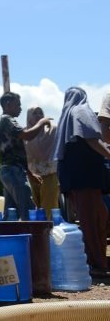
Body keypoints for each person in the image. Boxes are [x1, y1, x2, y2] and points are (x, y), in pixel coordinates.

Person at [52, 87, 110, 278]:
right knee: (93, 222)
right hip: (86, 180)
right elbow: (93, 140)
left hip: (76, 181)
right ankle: (97, 265)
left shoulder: (66, 118)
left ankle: (96, 262)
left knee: (95, 220)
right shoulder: (81, 110)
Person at [0, 92, 51, 220]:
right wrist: (41, 122)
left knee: (11, 214)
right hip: (13, 171)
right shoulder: (6, 119)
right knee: (28, 210)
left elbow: (16, 151)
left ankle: (11, 238)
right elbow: (27, 135)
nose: (20, 108)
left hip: (10, 170)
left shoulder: (5, 120)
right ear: (8, 105)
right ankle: (32, 239)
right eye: (18, 105)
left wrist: (29, 173)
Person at [25, 106, 60, 219]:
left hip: (50, 174)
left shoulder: (53, 130)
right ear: (29, 117)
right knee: (32, 209)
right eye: (35, 113)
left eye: (41, 113)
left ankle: (48, 233)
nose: (39, 116)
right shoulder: (25, 134)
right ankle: (35, 235)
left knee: (49, 208)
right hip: (31, 176)